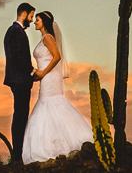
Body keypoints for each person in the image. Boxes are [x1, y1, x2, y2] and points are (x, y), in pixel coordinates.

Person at [22, 11, 93, 163]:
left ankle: (60, 145)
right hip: (46, 76)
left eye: (38, 20)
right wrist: (38, 73)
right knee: (49, 105)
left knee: (51, 103)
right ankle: (54, 145)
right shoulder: (44, 38)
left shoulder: (48, 38)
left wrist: (43, 73)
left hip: (50, 77)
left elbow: (57, 56)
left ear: (44, 22)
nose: (35, 22)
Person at [4, 2, 36, 163]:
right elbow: (17, 56)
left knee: (20, 116)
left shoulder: (12, 31)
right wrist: (31, 71)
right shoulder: (16, 32)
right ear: (23, 14)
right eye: (31, 16)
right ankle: (18, 155)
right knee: (20, 117)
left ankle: (18, 153)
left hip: (17, 80)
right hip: (20, 80)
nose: (31, 20)